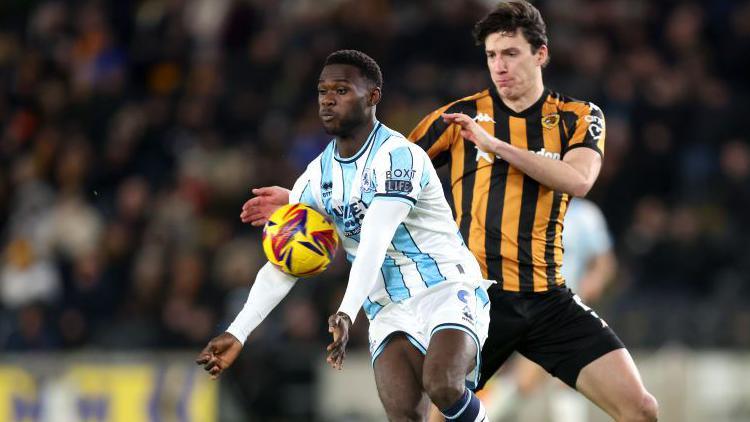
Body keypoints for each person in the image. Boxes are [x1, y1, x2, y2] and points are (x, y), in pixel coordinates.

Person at [240, 3, 658, 422]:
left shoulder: (580, 117)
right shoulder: (458, 119)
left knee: (641, 409)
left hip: (549, 299)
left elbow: (579, 179)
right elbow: (381, 175)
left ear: (541, 54)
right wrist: (304, 199)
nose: (499, 66)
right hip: (478, 297)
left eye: (511, 53)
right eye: (492, 55)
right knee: (443, 409)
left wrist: (495, 147)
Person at [197, 50, 493, 422]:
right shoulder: (315, 177)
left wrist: (345, 312)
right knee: (404, 414)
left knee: (444, 385)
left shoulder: (401, 157)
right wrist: (238, 332)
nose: (328, 100)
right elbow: (283, 265)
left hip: (445, 287)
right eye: (323, 91)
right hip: (386, 307)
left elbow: (376, 237)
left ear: (373, 96)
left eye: (341, 90)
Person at [481, 197, 618, 421]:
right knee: (528, 381)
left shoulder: (586, 214)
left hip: (567, 310)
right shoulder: (526, 202)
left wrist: (594, 281)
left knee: (560, 380)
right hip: (525, 306)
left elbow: (605, 262)